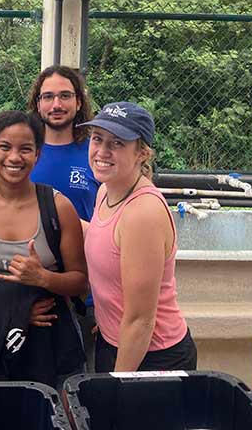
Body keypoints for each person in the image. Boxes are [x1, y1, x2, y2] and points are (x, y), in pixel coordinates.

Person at [0, 110, 87, 387]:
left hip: (53, 340)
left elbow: (81, 282)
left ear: (37, 154)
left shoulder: (57, 207)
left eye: (25, 149)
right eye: (5, 147)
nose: (14, 158)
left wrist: (43, 278)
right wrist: (15, 313)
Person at [79, 101, 197, 372]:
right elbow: (104, 242)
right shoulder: (106, 191)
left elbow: (141, 321)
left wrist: (119, 386)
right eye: (97, 139)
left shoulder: (142, 213)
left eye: (117, 143)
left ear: (142, 153)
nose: (102, 151)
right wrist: (49, 209)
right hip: (114, 340)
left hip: (152, 355)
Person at [27, 65, 99, 222]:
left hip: (83, 246)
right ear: (38, 105)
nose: (56, 105)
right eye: (48, 97)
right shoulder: (22, 154)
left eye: (65, 96)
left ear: (78, 102)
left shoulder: (97, 154)